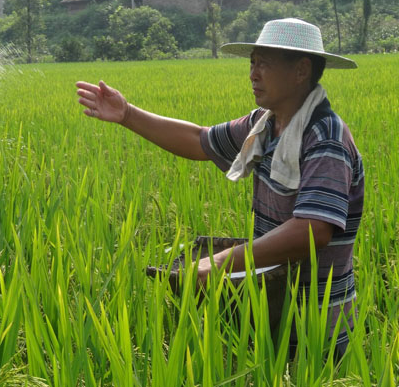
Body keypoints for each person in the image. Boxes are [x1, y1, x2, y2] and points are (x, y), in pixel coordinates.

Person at [75, 18, 364, 358]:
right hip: (273, 303)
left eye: (264, 65)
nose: (253, 74)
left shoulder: (324, 136)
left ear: (301, 70)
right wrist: (128, 114)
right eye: (252, 64)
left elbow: (313, 230)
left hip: (317, 323)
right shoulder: (266, 124)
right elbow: (200, 140)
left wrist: (223, 262)